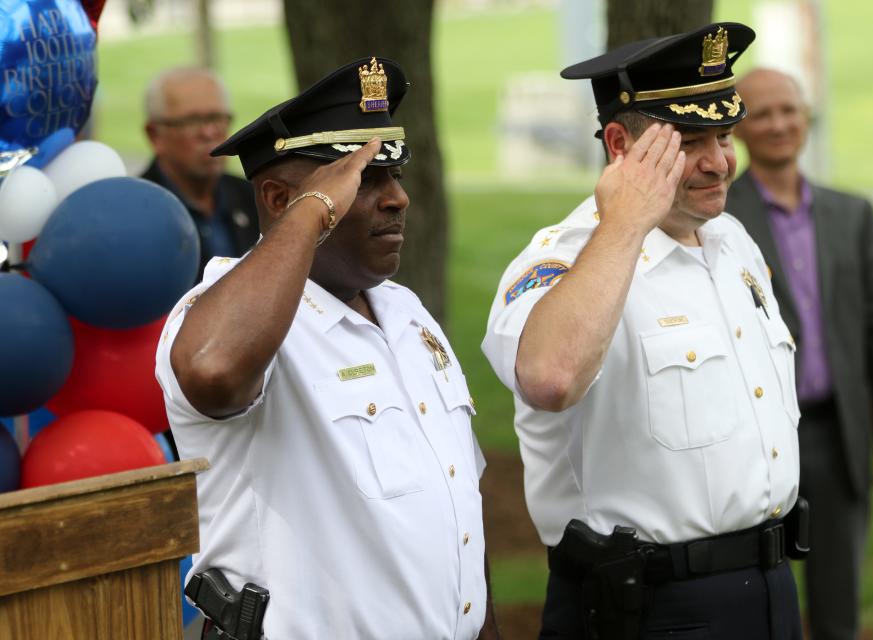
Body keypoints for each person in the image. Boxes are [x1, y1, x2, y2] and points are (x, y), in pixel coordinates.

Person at [155, 57, 498, 640]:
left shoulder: (408, 313)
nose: (398, 199)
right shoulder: (218, 312)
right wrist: (314, 210)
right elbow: (212, 371)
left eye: (395, 175)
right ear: (277, 197)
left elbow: (457, 500)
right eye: (363, 180)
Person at [483, 23, 806, 639]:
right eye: (689, 142)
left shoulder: (731, 240)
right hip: (644, 608)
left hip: (766, 590)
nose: (719, 162)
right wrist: (625, 226)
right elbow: (549, 378)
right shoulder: (563, 260)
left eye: (725, 135)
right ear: (618, 144)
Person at [727, 68, 873, 640]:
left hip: (837, 435)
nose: (779, 124)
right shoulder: (722, 218)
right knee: (754, 600)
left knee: (838, 605)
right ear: (737, 127)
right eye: (761, 113)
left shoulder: (852, 215)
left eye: (789, 109)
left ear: (807, 115)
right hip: (754, 440)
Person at [142, 67, 260, 282]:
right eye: (192, 121)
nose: (209, 133)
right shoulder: (139, 213)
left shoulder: (255, 197)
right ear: (155, 135)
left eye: (217, 118)